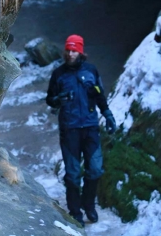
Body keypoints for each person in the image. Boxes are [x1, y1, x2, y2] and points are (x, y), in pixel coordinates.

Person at [46, 34, 116, 227]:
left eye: (74, 50)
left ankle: (88, 204)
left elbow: (100, 95)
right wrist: (58, 99)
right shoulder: (58, 74)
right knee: (73, 174)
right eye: (68, 50)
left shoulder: (92, 71)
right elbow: (49, 99)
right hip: (70, 131)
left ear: (81, 51)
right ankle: (75, 211)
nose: (70, 53)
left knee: (95, 170)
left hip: (91, 128)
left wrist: (108, 115)